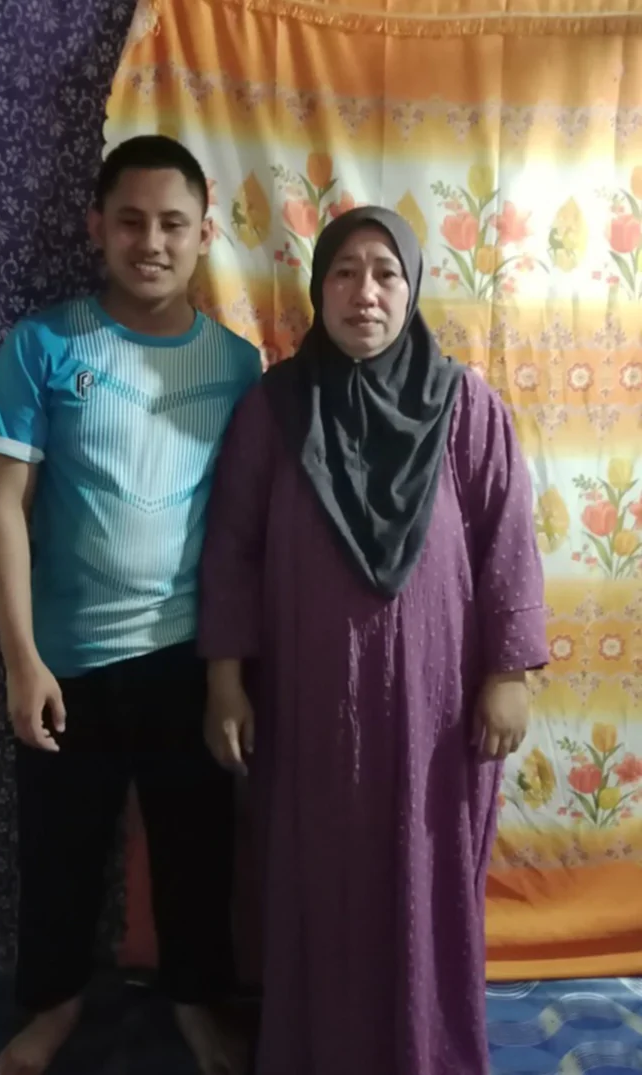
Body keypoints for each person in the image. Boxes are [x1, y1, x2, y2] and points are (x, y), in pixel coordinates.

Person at [198, 207, 549, 1075]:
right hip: (308, 705)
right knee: (316, 877)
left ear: (413, 287)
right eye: (345, 272)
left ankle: (426, 1049)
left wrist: (510, 672)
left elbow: (507, 540)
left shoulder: (465, 406)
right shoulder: (275, 409)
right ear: (319, 288)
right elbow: (232, 546)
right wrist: (225, 681)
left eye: (386, 273)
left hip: (436, 713)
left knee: (426, 874)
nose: (365, 292)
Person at [0, 135, 261, 1075]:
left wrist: (228, 675)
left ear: (204, 234)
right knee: (59, 853)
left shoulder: (238, 365)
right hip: (66, 661)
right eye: (131, 221)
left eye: (174, 224)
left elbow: (242, 530)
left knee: (196, 851)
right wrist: (22, 659)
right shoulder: (42, 345)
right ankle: (54, 1005)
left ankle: (195, 1001)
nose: (152, 242)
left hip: (188, 658)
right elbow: (4, 506)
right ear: (96, 226)